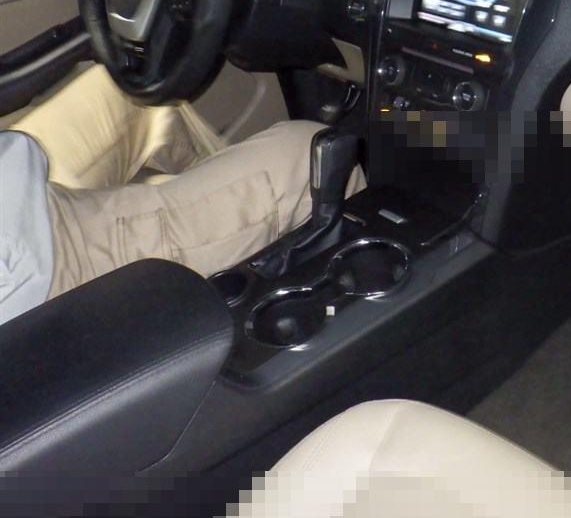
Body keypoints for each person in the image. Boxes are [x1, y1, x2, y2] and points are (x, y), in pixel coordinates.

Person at [0, 64, 352, 325]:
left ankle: (222, 219)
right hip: (41, 264)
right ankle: (355, 319)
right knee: (309, 155)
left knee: (133, 92)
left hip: (20, 184)